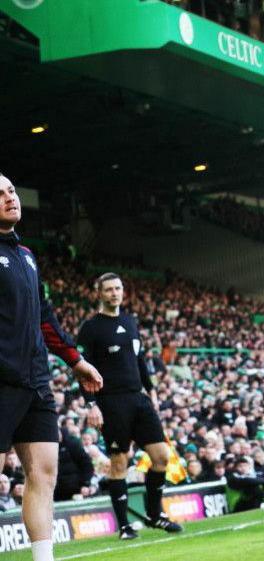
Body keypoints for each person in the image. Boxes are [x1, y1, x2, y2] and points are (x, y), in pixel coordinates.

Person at [0, 173, 103, 561]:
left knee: (43, 474)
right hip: (1, 382)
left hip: (36, 382)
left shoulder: (26, 255)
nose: (9, 197)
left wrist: (75, 361)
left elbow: (44, 317)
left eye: (11, 190)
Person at [76, 272, 183, 540]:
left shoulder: (130, 321)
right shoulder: (91, 328)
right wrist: (91, 404)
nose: (115, 293)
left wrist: (152, 390)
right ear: (99, 293)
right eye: (109, 289)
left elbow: (139, 359)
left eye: (118, 288)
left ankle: (155, 515)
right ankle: (124, 526)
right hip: (111, 401)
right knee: (119, 462)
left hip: (139, 398)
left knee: (161, 456)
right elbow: (81, 370)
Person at [54, 428, 94, 501]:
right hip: (56, 491)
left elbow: (87, 465)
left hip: (76, 489)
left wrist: (85, 484)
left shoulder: (73, 443)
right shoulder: (48, 447)